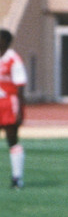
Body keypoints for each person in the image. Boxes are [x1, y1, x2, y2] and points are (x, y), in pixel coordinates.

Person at [0, 28, 25, 188]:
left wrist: (20, 111)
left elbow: (20, 86)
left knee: (12, 139)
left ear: (7, 42)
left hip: (9, 103)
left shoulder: (14, 60)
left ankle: (17, 178)